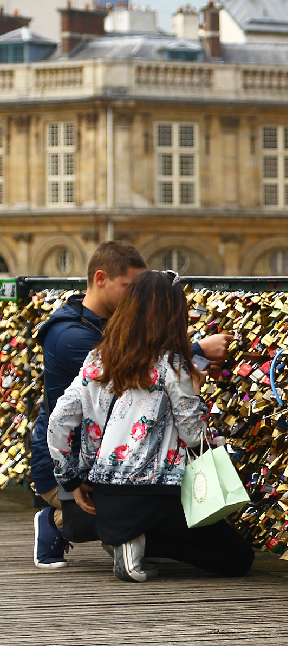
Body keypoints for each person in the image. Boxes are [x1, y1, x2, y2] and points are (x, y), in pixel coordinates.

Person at [30, 241, 232, 570]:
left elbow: (60, 419)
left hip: (96, 475)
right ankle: (86, 527)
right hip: (134, 486)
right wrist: (190, 362)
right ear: (100, 278)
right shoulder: (76, 339)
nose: (130, 296)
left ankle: (125, 537)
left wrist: (70, 476)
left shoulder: (95, 350)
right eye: (128, 286)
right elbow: (193, 432)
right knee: (233, 557)